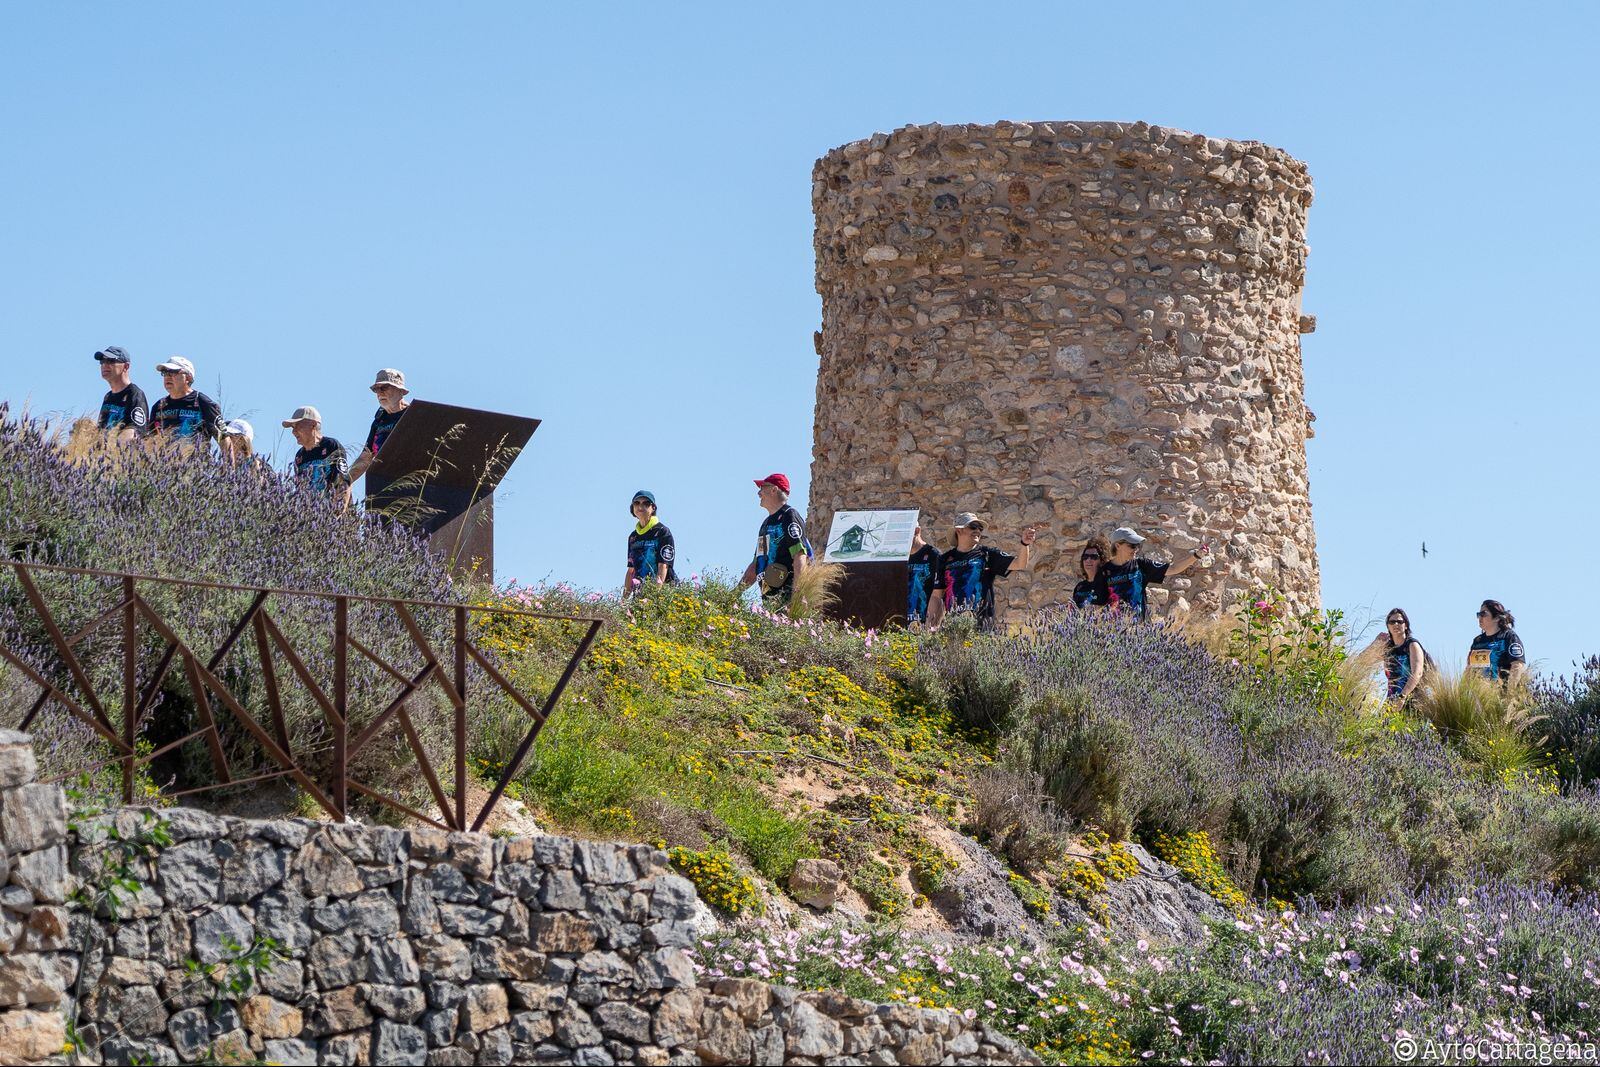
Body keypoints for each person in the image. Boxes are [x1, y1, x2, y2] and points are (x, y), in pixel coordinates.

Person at [926, 513, 1037, 629]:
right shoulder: (944, 559)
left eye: (980, 528)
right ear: (959, 530)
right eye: (973, 526)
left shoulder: (987, 554)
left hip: (982, 628)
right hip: (953, 628)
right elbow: (936, 596)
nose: (977, 531)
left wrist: (1025, 544)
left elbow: (1020, 564)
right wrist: (931, 625)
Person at [1096, 526, 1210, 622]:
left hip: (1140, 630)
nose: (1136, 549)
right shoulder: (1103, 571)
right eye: (1132, 545)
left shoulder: (1141, 565)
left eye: (1137, 545)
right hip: (1112, 632)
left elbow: (1173, 568)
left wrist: (1196, 556)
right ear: (1117, 545)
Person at [737, 473, 809, 608]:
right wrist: (735, 595)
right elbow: (756, 564)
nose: (759, 493)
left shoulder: (789, 516)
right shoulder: (766, 524)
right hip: (769, 600)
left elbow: (800, 554)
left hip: (788, 599)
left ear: (774, 490)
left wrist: (799, 593)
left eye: (762, 488)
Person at [348, 368, 411, 484]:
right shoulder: (379, 420)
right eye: (376, 389)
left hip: (409, 480)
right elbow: (366, 457)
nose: (380, 392)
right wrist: (345, 481)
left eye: (385, 387)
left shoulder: (412, 415)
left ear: (401, 391)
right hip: (383, 482)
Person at [145, 356, 223, 446]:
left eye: (173, 372)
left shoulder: (203, 402)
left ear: (188, 377)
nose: (167, 377)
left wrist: (228, 460)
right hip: (166, 459)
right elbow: (150, 441)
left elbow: (223, 438)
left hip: (196, 459)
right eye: (165, 373)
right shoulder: (159, 406)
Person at [281, 406, 349, 504]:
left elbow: (344, 482)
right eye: (292, 427)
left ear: (313, 424)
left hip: (332, 509)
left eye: (298, 426)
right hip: (311, 514)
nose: (293, 431)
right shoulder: (299, 455)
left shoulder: (331, 446)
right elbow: (300, 490)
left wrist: (338, 513)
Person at [1362, 607, 1427, 703]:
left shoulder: (1412, 645)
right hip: (1392, 701)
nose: (1396, 624)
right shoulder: (1388, 648)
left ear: (1406, 625)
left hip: (1412, 699)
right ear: (1388, 626)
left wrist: (1402, 697)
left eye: (1399, 621)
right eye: (1392, 622)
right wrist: (1375, 644)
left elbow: (1417, 673)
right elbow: (1362, 661)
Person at [624, 490, 677, 595]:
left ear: (653, 508)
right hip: (640, 594)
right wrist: (624, 601)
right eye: (637, 503)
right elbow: (631, 570)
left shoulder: (662, 531)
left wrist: (656, 595)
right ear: (632, 508)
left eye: (646, 503)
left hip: (665, 593)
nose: (640, 506)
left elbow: (664, 565)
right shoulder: (633, 537)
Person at [93, 346, 148, 443]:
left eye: (110, 361)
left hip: (124, 454)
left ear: (126, 366)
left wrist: (113, 448)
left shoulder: (135, 393)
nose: (104, 365)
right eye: (102, 361)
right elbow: (100, 430)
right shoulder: (108, 397)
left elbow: (135, 430)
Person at [1469, 599, 1526, 685]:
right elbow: (1469, 668)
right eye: (1478, 615)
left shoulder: (1509, 637)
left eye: (1483, 614)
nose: (1480, 618)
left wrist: (1510, 693)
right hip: (1479, 695)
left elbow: (1518, 665)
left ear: (1496, 618)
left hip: (1501, 693)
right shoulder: (1477, 641)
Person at [906, 523, 941, 625]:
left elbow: (939, 593)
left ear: (917, 531)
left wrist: (932, 625)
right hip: (900, 625)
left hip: (923, 622)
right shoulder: (898, 557)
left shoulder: (933, 555)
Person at [1071, 535, 1112, 609]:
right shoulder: (1080, 587)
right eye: (1085, 557)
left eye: (1094, 557)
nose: (1088, 560)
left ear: (1102, 560)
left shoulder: (1108, 584)